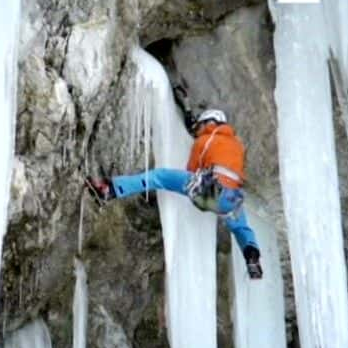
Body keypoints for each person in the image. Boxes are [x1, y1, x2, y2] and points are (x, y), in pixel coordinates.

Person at [85, 86, 263, 279]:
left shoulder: (207, 139)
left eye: (202, 125)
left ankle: (110, 189)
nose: (199, 129)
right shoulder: (236, 145)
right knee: (241, 228)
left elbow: (192, 170)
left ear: (210, 123)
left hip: (210, 190)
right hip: (231, 199)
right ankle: (252, 257)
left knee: (159, 177)